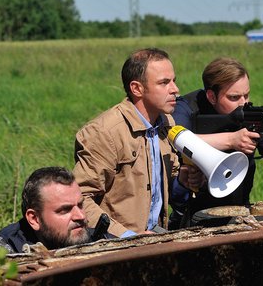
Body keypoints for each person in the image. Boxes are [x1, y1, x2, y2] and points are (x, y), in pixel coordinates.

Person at [73, 48, 200, 238]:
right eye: (164, 83)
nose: (175, 89)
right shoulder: (104, 132)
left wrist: (181, 179)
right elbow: (79, 198)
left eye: (174, 81)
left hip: (154, 236)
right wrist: (127, 236)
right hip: (113, 244)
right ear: (136, 88)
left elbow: (165, 179)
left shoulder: (166, 123)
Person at [170, 57, 263, 227]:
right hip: (192, 219)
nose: (243, 103)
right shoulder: (187, 107)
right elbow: (173, 137)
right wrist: (231, 140)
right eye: (234, 97)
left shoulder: (249, 116)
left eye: (246, 95)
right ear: (211, 96)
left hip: (237, 216)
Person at [0, 166, 104, 253]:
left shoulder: (100, 240)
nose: (80, 216)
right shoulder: (10, 253)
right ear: (35, 219)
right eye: (65, 210)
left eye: (80, 205)